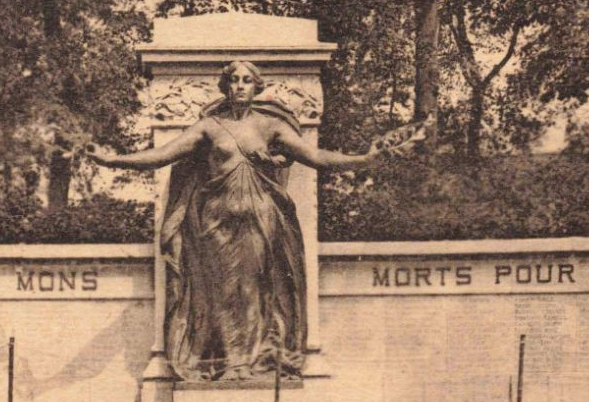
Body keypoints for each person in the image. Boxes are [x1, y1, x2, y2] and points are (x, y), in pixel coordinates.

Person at [86, 60, 413, 381]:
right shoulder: (209, 127)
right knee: (223, 291)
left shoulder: (271, 127)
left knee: (255, 289)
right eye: (234, 80)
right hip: (215, 222)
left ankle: (251, 363)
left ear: (257, 87)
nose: (239, 86)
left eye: (246, 80)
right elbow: (162, 155)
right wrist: (114, 160)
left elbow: (316, 157)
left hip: (260, 217)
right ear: (225, 86)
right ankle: (230, 362)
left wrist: (364, 158)